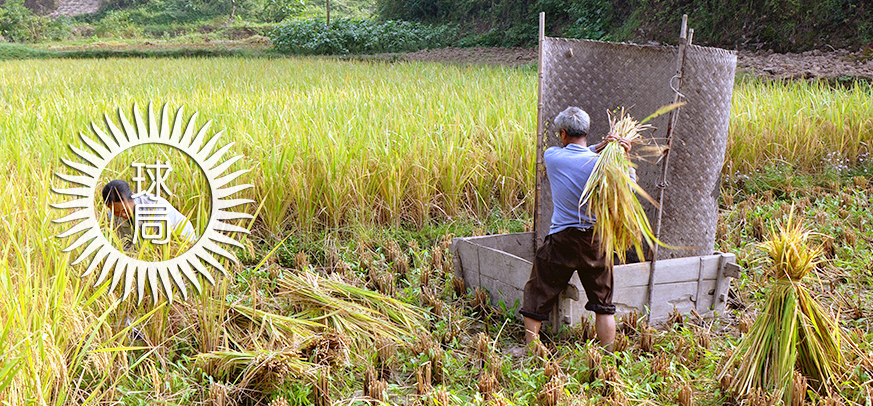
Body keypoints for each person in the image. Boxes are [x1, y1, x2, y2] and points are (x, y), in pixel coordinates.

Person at [519, 106, 632, 351]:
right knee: (603, 304)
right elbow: (629, 188)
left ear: (562, 134)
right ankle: (608, 355)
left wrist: (602, 147)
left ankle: (532, 350)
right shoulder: (607, 164)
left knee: (536, 293)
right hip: (595, 241)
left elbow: (576, 158)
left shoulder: (552, 156)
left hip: (562, 240)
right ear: (587, 132)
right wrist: (621, 155)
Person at [101, 179, 197, 248]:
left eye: (125, 209)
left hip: (180, 240)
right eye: (117, 211)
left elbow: (161, 244)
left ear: (133, 197)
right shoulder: (112, 216)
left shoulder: (154, 206)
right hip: (145, 246)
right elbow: (126, 243)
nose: (123, 215)